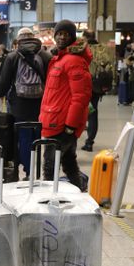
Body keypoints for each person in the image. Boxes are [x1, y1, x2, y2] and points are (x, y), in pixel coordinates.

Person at [39, 19, 92, 191]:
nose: (62, 37)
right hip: (54, 120)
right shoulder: (59, 59)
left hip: (61, 124)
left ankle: (48, 201)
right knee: (69, 164)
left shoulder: (73, 61)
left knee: (49, 169)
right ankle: (78, 193)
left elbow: (81, 96)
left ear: (72, 37)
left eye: (66, 34)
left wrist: (70, 125)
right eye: (59, 34)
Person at [0, 27, 51, 123]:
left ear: (18, 40)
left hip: (18, 105)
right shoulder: (46, 56)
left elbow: (4, 82)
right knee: (38, 132)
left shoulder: (12, 57)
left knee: (19, 132)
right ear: (34, 38)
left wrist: (0, 96)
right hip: (40, 104)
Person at [82, 30, 115, 152]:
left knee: (79, 111)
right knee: (93, 113)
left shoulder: (84, 49)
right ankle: (90, 141)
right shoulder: (104, 50)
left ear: (85, 38)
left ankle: (74, 140)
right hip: (97, 87)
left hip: (85, 86)